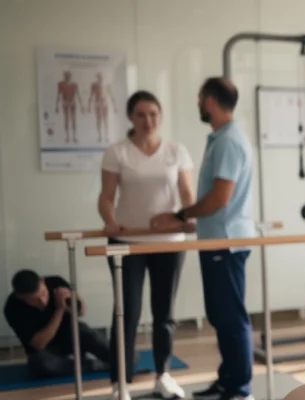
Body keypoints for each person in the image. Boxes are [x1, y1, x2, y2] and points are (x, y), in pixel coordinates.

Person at [151, 77, 256, 400]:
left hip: (225, 242)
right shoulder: (222, 138)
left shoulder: (228, 141)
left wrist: (181, 215)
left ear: (210, 101)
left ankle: (238, 389)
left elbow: (219, 198)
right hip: (217, 240)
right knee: (221, 315)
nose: (198, 104)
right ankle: (228, 381)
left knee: (230, 317)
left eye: (200, 99)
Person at [98, 90, 194, 399]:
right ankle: (120, 382)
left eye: (153, 114)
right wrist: (110, 220)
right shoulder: (117, 152)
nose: (147, 120)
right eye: (141, 114)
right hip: (127, 242)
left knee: (164, 313)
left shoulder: (176, 151)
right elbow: (106, 197)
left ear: (160, 116)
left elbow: (187, 193)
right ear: (130, 117)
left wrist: (189, 217)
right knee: (127, 312)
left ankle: (163, 374)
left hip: (169, 243)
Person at [3, 270, 114, 379]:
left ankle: (116, 359)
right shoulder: (12, 308)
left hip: (71, 335)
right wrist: (59, 310)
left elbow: (81, 312)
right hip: (47, 349)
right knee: (41, 363)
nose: (42, 301)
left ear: (43, 282)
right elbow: (39, 344)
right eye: (35, 300)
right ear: (20, 297)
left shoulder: (56, 283)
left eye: (43, 293)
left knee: (90, 334)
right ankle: (91, 365)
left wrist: (74, 298)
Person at [87, 72, 117, 143]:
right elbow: (91, 95)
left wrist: (115, 107)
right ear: (97, 77)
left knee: (105, 120)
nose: (100, 77)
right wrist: (89, 106)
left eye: (101, 76)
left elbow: (111, 96)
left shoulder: (107, 85)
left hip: (105, 103)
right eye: (99, 76)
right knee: (99, 120)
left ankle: (106, 136)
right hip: (98, 103)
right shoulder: (94, 85)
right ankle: (100, 136)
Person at [56, 70, 80, 144]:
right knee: (66, 120)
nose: (67, 77)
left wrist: (81, 106)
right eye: (66, 75)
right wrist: (56, 106)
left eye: (68, 75)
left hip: (72, 103)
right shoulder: (61, 84)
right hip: (65, 103)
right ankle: (67, 137)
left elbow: (78, 95)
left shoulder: (74, 84)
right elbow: (58, 95)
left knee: (73, 120)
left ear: (70, 76)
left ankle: (74, 137)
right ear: (64, 76)